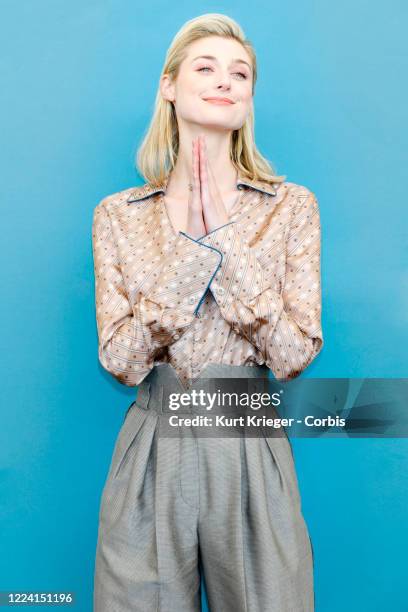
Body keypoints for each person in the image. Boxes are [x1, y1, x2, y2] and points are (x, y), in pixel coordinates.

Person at [92, 13, 323, 612]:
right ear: (169, 85)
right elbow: (120, 360)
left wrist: (222, 233)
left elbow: (295, 355)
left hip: (247, 431)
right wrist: (191, 257)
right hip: (151, 443)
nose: (226, 81)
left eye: (240, 73)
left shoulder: (290, 209)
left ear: (249, 98)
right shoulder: (119, 215)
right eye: (206, 67)